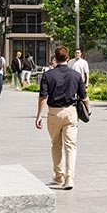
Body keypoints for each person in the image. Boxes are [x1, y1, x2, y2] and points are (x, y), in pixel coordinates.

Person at [35, 43, 85, 189]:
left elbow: (43, 96)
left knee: (56, 144)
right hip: (71, 112)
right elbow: (84, 97)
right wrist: (87, 110)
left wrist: (39, 115)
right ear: (68, 58)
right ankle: (69, 179)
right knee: (71, 146)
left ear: (55, 59)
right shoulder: (76, 75)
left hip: (54, 113)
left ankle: (58, 175)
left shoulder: (48, 75)